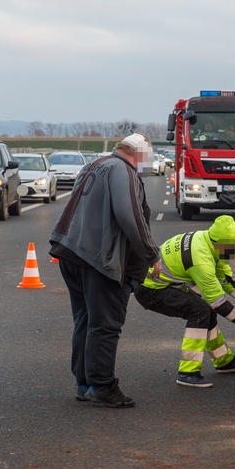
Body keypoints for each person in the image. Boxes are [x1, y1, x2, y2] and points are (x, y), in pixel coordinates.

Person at [49, 133, 162, 408]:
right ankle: (102, 385)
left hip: (71, 252)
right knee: (105, 324)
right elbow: (130, 215)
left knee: (86, 320)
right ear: (139, 153)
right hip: (99, 259)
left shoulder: (95, 164)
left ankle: (85, 383)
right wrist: (151, 254)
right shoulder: (123, 170)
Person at [133, 214, 235, 388]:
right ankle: (187, 372)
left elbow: (227, 280)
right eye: (229, 247)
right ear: (217, 243)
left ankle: (224, 361)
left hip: (167, 285)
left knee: (205, 310)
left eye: (234, 246)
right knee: (200, 311)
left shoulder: (210, 242)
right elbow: (219, 304)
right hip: (150, 289)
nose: (232, 251)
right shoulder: (201, 260)